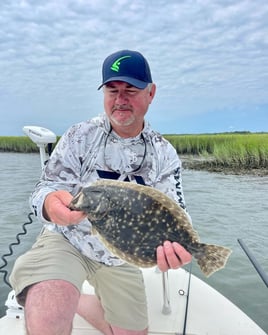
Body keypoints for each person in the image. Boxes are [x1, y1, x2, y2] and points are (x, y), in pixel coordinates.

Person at [10, 50, 192, 335]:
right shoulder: (80, 136)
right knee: (49, 317)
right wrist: (49, 204)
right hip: (68, 241)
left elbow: (177, 210)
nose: (120, 99)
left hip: (122, 253)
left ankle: (81, 302)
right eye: (112, 90)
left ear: (151, 93)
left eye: (130, 90)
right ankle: (65, 294)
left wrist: (181, 246)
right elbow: (44, 188)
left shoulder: (163, 154)